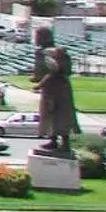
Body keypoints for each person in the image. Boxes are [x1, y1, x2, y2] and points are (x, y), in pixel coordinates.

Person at [33, 27, 81, 157]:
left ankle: (65, 144)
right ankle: (53, 141)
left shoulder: (54, 52)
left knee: (61, 116)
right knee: (49, 115)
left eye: (37, 36)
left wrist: (40, 84)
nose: (35, 39)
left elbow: (55, 71)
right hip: (50, 90)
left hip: (59, 90)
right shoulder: (42, 52)